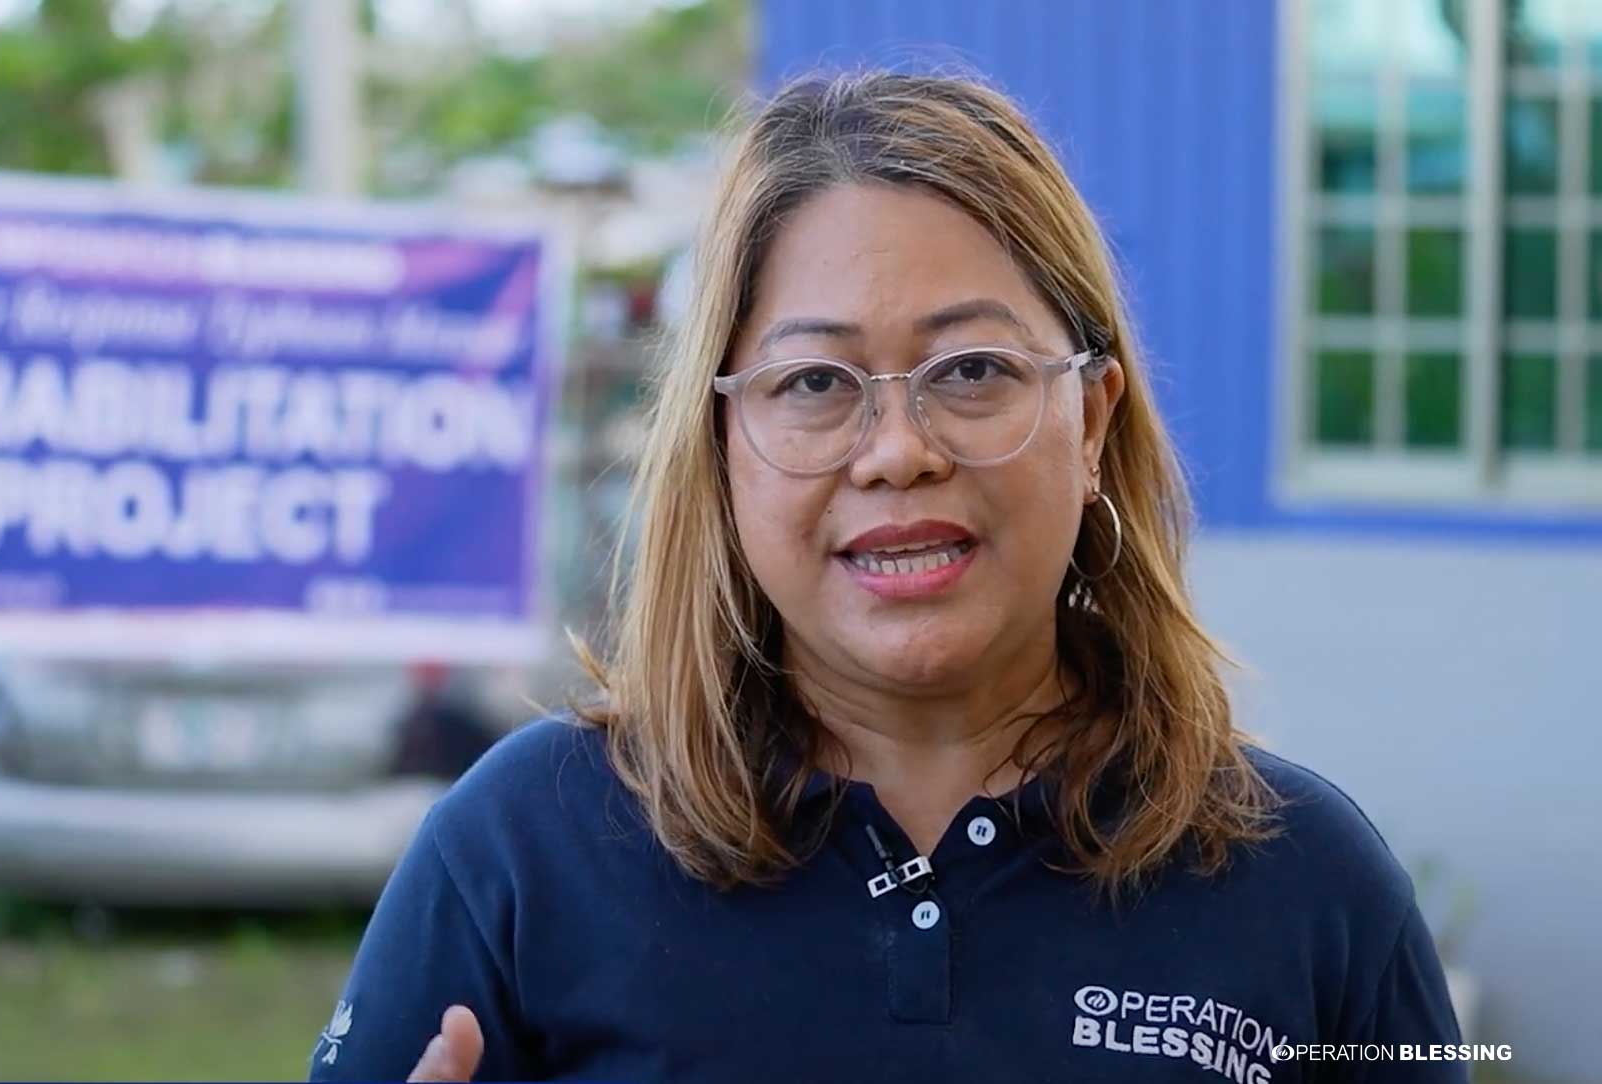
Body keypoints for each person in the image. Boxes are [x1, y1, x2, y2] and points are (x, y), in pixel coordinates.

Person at [309, 71, 1464, 1083]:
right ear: (719, 448)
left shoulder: (1307, 883)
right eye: (813, 383)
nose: (897, 448)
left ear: (1091, 420)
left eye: (969, 369)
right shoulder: (520, 852)